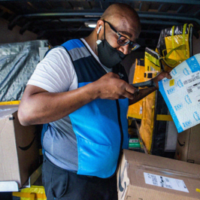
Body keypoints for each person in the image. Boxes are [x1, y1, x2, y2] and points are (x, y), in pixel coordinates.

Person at [18, 3, 171, 200]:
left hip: (109, 177)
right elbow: (27, 112)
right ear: (100, 27)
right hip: (73, 181)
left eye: (131, 44)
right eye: (122, 38)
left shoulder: (116, 67)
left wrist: (153, 85)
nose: (125, 50)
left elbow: (121, 101)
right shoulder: (65, 57)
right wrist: (95, 90)